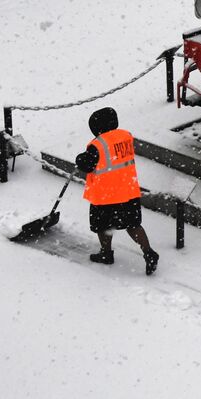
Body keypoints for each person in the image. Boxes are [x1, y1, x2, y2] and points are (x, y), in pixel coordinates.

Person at [75, 107, 159, 275]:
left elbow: (87, 166)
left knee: (103, 226)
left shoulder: (97, 145)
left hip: (106, 195)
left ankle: (106, 254)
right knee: (133, 225)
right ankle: (149, 252)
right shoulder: (125, 136)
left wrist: (80, 159)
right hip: (128, 191)